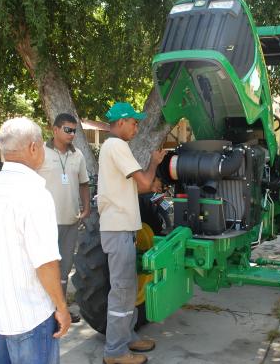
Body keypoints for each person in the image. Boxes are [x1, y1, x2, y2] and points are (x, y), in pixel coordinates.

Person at [0, 117, 71, 364]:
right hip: (32, 316)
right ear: (32, 148)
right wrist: (61, 307)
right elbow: (46, 262)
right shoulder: (35, 194)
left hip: (0, 315)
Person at [97, 102, 166, 364]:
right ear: (122, 122)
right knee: (123, 290)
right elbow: (146, 183)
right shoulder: (116, 145)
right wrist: (154, 162)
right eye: (134, 122)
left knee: (128, 287)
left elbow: (134, 190)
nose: (137, 127)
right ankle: (114, 352)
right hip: (118, 229)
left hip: (123, 228)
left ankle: (128, 337)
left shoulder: (112, 148)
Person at [37, 113, 90, 323]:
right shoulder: (40, 152)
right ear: (55, 129)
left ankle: (61, 311)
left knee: (64, 268)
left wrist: (86, 208)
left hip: (70, 221)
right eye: (68, 130)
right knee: (44, 267)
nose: (72, 134)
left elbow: (84, 183)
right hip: (44, 223)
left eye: (74, 130)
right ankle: (43, 314)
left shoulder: (78, 155)